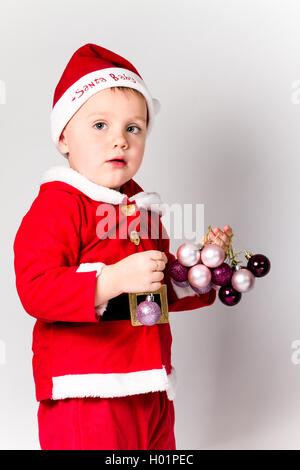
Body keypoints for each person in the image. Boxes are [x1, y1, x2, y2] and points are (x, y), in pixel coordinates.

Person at [13, 43, 233, 450]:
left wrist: (199, 270)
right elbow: (36, 288)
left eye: (133, 128)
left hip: (148, 383)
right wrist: (110, 279)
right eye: (100, 126)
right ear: (64, 137)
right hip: (87, 392)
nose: (120, 141)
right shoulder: (58, 206)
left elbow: (156, 290)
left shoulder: (143, 211)